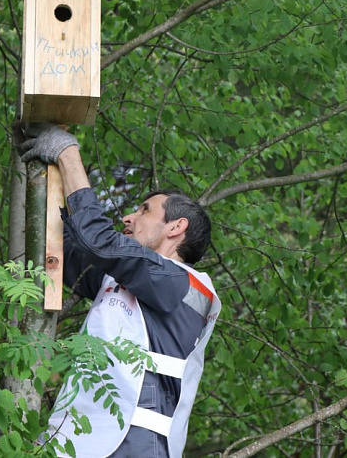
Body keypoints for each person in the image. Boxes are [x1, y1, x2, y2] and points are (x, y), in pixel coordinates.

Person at [17, 123, 221, 458]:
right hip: (83, 440)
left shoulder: (183, 284)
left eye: (144, 210)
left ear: (176, 227)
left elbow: (100, 243)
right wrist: (44, 175)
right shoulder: (123, 282)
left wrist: (67, 154)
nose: (128, 217)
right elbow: (67, 253)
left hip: (135, 444)